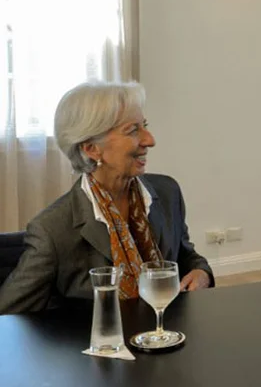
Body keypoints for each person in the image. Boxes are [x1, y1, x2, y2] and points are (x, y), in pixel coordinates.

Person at [0, 81, 213, 314]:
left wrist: (201, 273)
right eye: (133, 130)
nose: (150, 140)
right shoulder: (53, 229)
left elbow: (185, 256)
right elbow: (8, 317)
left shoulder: (167, 191)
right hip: (101, 347)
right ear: (91, 149)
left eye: (145, 125)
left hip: (169, 338)